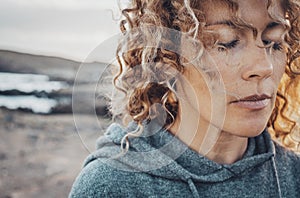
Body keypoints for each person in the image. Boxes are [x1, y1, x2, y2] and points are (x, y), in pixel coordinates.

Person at [69, 0, 300, 197]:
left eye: (274, 41)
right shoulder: (111, 187)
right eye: (226, 43)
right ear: (168, 58)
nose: (264, 66)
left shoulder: (294, 177)